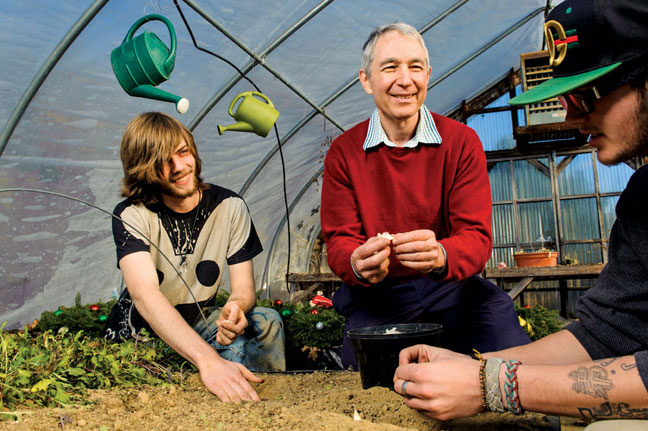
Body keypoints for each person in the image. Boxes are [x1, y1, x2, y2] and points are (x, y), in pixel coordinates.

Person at [393, 0, 648, 422]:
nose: (571, 117)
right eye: (566, 98)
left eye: (586, 96)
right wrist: (477, 369)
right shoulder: (642, 196)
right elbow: (608, 332)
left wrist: (493, 385)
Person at [320, 23, 530, 370]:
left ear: (428, 75)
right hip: (378, 297)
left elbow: (476, 238)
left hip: (452, 288)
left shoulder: (461, 142)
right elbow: (339, 240)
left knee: (509, 361)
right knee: (367, 392)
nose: (405, 80)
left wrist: (442, 254)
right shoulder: (344, 152)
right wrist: (358, 262)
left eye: (415, 67)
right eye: (390, 67)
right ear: (366, 80)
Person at [104, 112, 285, 402]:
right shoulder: (131, 214)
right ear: (144, 170)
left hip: (199, 320)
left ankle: (264, 400)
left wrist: (235, 309)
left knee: (267, 321)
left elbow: (243, 289)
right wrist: (208, 361)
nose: (179, 167)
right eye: (164, 162)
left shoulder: (230, 206)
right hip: (142, 335)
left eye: (183, 152)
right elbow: (145, 297)